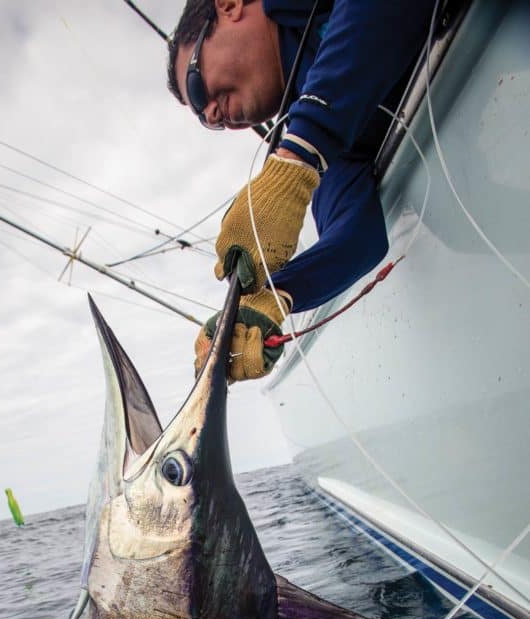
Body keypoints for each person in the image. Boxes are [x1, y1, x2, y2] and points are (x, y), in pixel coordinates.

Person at [167, 0, 435, 382]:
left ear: (228, 6)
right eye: (202, 118)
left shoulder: (309, 131)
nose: (210, 114)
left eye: (197, 89)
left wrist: (296, 158)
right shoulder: (313, 131)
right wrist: (274, 295)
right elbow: (357, 236)